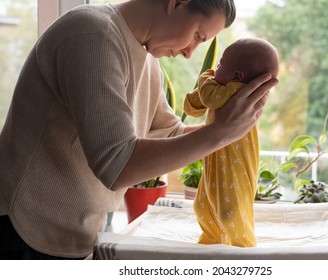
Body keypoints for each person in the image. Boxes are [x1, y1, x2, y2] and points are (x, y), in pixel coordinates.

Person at [0, 0, 278, 259]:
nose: (189, 52)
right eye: (197, 35)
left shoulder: (147, 61)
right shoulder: (91, 34)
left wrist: (236, 131)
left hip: (73, 234)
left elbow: (170, 136)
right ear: (176, 2)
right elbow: (117, 164)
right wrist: (219, 133)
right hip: (23, 229)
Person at [183, 37, 279, 247]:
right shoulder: (223, 91)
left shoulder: (236, 91)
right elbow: (192, 107)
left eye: (219, 65)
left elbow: (208, 97)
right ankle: (212, 240)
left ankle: (243, 249)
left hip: (236, 169)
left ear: (237, 76)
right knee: (202, 205)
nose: (214, 69)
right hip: (216, 163)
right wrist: (205, 85)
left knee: (232, 213)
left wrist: (205, 77)